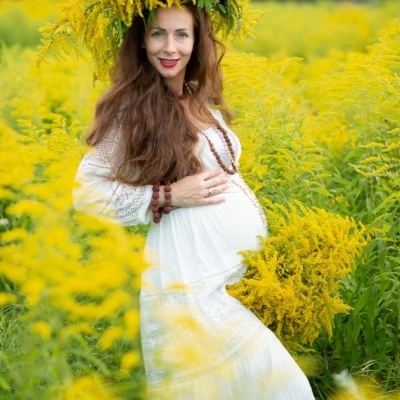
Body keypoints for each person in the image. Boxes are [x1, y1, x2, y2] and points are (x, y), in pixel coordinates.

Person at [73, 3, 315, 399]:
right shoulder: (131, 108)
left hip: (230, 279)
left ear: (196, 41)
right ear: (142, 41)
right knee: (285, 387)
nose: (169, 47)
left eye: (181, 35)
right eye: (158, 34)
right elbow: (86, 192)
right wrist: (168, 194)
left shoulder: (198, 97)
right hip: (189, 281)